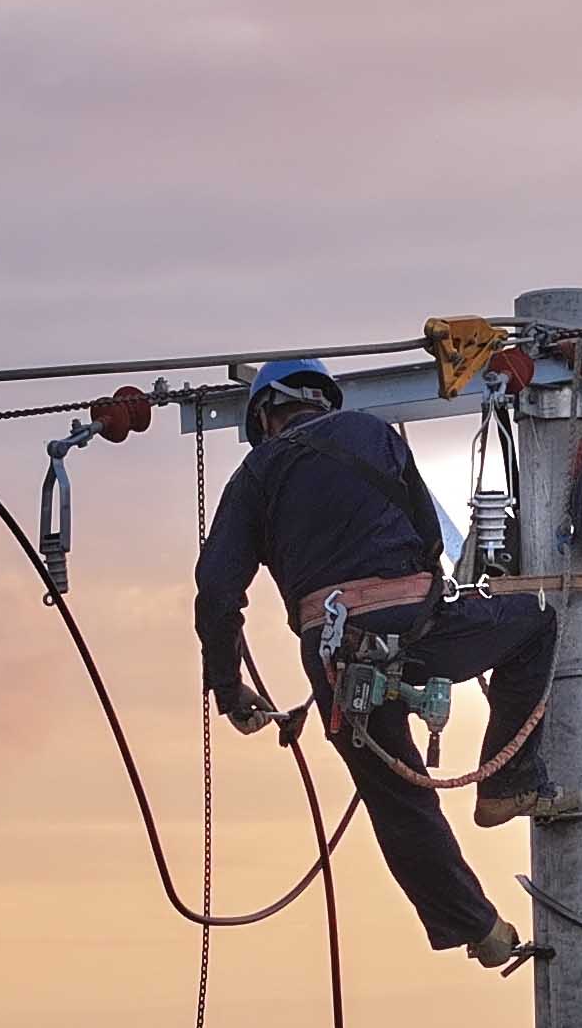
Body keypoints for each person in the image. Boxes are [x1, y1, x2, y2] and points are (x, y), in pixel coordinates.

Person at [196, 358, 558, 968]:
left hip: (334, 649)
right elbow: (428, 537)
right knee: (534, 624)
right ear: (325, 402)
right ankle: (508, 782)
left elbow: (217, 590)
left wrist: (230, 691)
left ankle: (479, 928)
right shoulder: (375, 435)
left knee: (395, 796)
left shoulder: (256, 471)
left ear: (264, 415)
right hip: (415, 626)